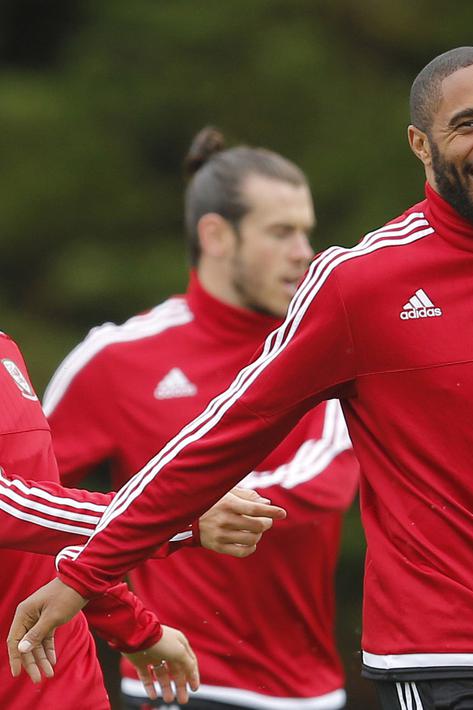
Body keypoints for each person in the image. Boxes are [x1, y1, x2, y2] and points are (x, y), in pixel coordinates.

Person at [9, 46, 473, 710]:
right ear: (420, 146)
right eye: (467, 125)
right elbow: (221, 440)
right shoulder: (357, 283)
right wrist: (90, 573)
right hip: (442, 654)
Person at [41, 127, 361, 710]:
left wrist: (183, 500)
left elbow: (328, 479)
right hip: (174, 688)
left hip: (310, 693)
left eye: (306, 230)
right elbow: (33, 503)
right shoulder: (115, 358)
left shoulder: (320, 349)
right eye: (281, 232)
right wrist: (124, 613)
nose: (304, 251)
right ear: (216, 235)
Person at [1, 328, 286, 707]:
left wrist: (129, 625)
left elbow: (47, 520)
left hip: (58, 680)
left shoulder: (5, 349)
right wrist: (173, 517)